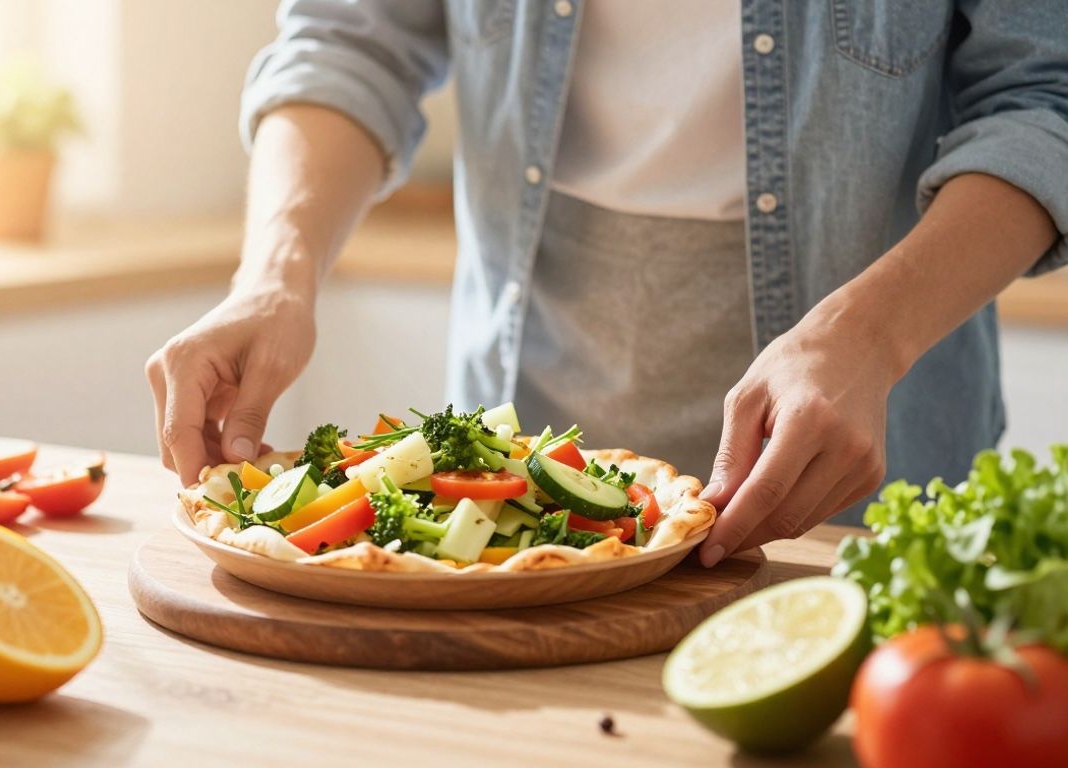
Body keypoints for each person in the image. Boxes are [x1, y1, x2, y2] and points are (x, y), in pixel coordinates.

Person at [147, 1, 1067, 566]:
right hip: (505, 462)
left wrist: (867, 336)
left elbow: (1046, 97)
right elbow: (349, 41)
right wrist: (272, 278)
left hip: (863, 453)